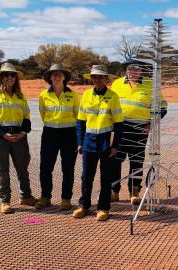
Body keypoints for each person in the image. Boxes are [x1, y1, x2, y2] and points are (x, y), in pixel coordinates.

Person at [109, 59, 167, 205]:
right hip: (119, 129)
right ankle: (113, 191)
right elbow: (109, 104)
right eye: (130, 68)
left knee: (136, 161)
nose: (133, 71)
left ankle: (134, 192)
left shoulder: (150, 84)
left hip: (139, 130)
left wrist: (151, 123)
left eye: (136, 68)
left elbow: (163, 107)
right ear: (126, 70)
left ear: (141, 70)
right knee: (115, 160)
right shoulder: (117, 84)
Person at [72, 65, 123, 221]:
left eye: (101, 77)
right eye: (95, 77)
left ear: (106, 79)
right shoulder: (86, 95)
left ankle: (103, 208)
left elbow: (119, 125)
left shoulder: (113, 97)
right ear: (91, 79)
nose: (98, 79)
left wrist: (115, 146)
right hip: (88, 142)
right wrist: (80, 142)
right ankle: (84, 205)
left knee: (106, 177)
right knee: (86, 177)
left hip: (106, 142)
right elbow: (80, 122)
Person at [0, 62, 36, 214]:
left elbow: (26, 118)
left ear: (16, 78)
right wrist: (3, 134)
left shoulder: (21, 96)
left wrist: (23, 133)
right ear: (1, 78)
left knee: (22, 169)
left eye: (12, 75)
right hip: (1, 138)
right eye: (6, 75)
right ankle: (5, 200)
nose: (9, 77)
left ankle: (26, 196)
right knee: (3, 170)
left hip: (19, 137)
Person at [35, 64, 79, 211]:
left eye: (60, 74)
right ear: (50, 78)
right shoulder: (43, 95)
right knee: (45, 167)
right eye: (53, 74)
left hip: (69, 134)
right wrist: (52, 124)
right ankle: (45, 197)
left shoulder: (72, 95)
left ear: (64, 77)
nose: (57, 76)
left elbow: (77, 115)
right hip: (49, 133)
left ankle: (66, 199)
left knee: (68, 168)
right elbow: (43, 114)